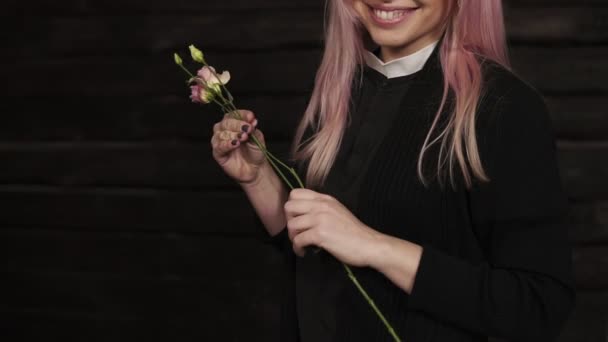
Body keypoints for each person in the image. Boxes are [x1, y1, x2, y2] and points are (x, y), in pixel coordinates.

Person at [210, 0, 576, 341]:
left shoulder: (505, 108)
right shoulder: (338, 92)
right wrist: (259, 180)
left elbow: (538, 305)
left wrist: (375, 246)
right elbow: (315, 250)